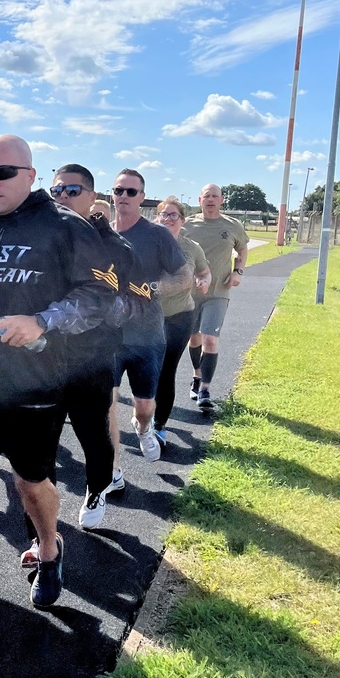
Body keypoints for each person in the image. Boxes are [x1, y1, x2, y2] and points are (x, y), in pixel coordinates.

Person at [0, 136, 117, 661]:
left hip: (36, 384)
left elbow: (102, 295)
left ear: (31, 175)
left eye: (4, 172)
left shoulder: (65, 226)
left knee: (33, 486)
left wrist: (42, 321)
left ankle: (51, 547)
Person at [36, 163, 134, 532]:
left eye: (72, 191)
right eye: (57, 191)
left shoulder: (113, 247)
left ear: (92, 198)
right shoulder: (39, 238)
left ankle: (96, 489)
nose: (62, 197)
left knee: (94, 438)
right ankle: (43, 528)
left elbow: (126, 302)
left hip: (90, 359)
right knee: (42, 444)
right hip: (43, 359)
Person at [110, 169, 191, 466]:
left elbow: (185, 276)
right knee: (105, 405)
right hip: (109, 336)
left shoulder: (156, 235)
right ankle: (110, 470)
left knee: (144, 406)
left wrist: (155, 289)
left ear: (142, 198)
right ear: (112, 194)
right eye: (119, 191)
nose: (124, 197)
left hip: (147, 335)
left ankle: (143, 427)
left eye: (131, 192)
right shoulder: (101, 235)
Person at [184, 183, 250, 413]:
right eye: (206, 196)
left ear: (222, 200)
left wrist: (237, 271)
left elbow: (242, 249)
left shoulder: (232, 225)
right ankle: (196, 375)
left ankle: (205, 389)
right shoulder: (188, 224)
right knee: (194, 339)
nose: (210, 200)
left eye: (215, 196)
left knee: (210, 339)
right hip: (190, 293)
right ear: (199, 199)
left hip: (218, 292)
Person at [153, 198, 211, 447]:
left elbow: (204, 271)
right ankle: (144, 415)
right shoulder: (147, 244)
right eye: (163, 215)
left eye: (173, 215)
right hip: (148, 316)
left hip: (179, 315)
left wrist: (205, 281)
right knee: (146, 370)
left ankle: (159, 425)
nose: (167, 219)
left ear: (182, 220)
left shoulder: (192, 247)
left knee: (166, 370)